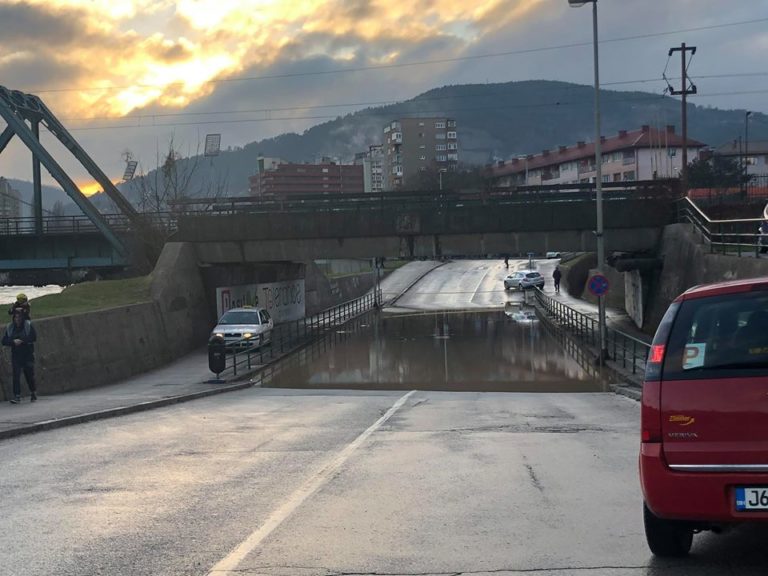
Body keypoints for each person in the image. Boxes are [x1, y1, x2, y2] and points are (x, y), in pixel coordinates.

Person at [2, 311, 37, 404]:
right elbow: (4, 340)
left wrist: (22, 341)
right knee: (16, 375)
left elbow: (33, 337)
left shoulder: (27, 325)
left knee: (29, 375)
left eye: (19, 317)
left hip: (27, 354)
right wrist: (13, 341)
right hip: (16, 355)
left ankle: (33, 392)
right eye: (16, 317)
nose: (17, 319)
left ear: (22, 318)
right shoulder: (10, 327)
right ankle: (17, 396)